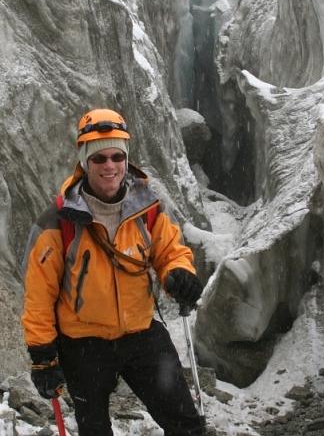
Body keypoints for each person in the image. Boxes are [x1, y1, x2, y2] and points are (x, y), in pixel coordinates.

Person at [21, 108, 204, 436]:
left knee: (186, 425)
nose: (109, 166)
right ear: (84, 162)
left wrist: (179, 273)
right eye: (99, 158)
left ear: (126, 158)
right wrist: (43, 356)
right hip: (83, 344)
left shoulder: (146, 208)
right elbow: (39, 294)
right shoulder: (58, 222)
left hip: (141, 332)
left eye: (116, 156)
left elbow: (170, 251)